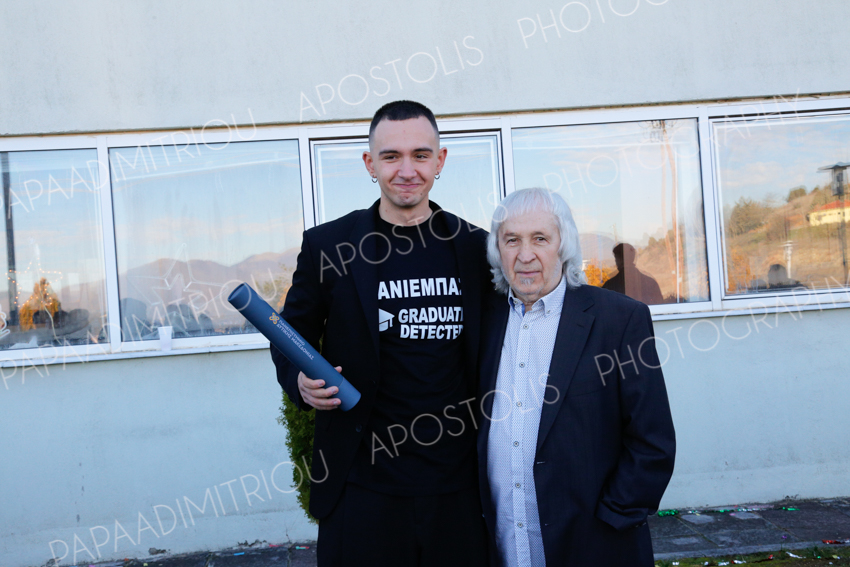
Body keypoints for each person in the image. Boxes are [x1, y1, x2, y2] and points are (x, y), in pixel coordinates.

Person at [271, 100, 490, 566]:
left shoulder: (476, 247)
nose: (406, 170)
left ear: (440, 161)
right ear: (370, 164)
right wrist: (299, 381)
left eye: (420, 155)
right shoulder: (330, 246)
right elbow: (290, 333)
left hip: (459, 487)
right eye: (391, 156)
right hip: (361, 486)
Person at [478, 188, 676, 566]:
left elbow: (653, 441)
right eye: (512, 240)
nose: (525, 255)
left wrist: (614, 518)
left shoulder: (619, 320)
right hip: (504, 545)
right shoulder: (483, 322)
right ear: (497, 250)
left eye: (540, 239)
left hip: (593, 544)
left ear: (564, 245)